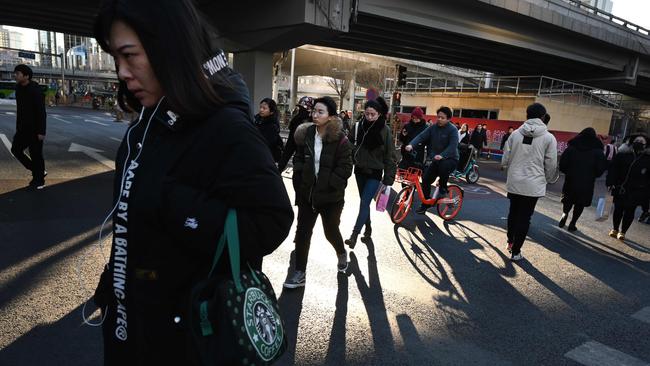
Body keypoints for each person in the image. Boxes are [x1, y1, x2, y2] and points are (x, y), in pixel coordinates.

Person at [91, 1, 294, 364]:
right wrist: (115, 283)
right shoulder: (151, 120)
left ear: (171, 48)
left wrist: (175, 204)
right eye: (115, 57)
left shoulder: (224, 126)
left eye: (130, 55)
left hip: (189, 334)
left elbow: (272, 218)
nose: (122, 72)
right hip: (132, 319)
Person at [284, 96, 353, 288]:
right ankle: (299, 273)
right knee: (303, 232)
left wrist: (330, 183)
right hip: (308, 195)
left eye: (320, 112)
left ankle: (341, 253)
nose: (315, 115)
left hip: (331, 197)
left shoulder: (340, 140)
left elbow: (346, 168)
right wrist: (299, 178)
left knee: (330, 231)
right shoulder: (305, 134)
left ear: (330, 117)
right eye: (314, 111)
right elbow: (298, 158)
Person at [501, 103, 557, 261]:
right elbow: (551, 163)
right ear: (543, 117)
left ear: (527, 115)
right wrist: (548, 178)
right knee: (525, 217)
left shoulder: (516, 134)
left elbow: (506, 155)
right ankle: (516, 252)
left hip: (515, 181)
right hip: (534, 183)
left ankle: (510, 242)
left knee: (513, 213)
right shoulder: (548, 137)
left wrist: (504, 165)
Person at [346, 97, 396, 248]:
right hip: (359, 170)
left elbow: (390, 155)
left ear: (379, 114)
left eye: (372, 114)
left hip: (375, 172)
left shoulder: (385, 130)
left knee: (364, 202)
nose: (369, 117)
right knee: (364, 203)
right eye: (367, 113)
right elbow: (348, 146)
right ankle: (368, 228)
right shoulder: (357, 127)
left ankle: (354, 234)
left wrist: (389, 178)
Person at [405, 106, 459, 214]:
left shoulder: (452, 129)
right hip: (436, 160)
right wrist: (411, 145)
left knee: (443, 166)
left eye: (442, 118)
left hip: (451, 159)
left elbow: (453, 146)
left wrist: (442, 155)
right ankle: (426, 203)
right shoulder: (433, 127)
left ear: (448, 119)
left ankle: (443, 189)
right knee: (425, 179)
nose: (439, 119)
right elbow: (421, 136)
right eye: (438, 117)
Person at [558, 128, 607, 231]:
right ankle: (573, 222)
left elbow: (562, 164)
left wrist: (568, 172)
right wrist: (593, 175)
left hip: (571, 180)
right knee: (580, 203)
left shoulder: (572, 148)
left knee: (568, 200)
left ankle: (565, 213)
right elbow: (600, 169)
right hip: (587, 183)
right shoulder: (598, 151)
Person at [606, 134, 650, 240]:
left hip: (637, 191)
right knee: (618, 210)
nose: (638, 142)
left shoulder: (648, 159)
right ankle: (615, 228)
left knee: (629, 212)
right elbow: (613, 169)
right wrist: (610, 182)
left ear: (646, 144)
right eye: (637, 140)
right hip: (621, 188)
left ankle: (623, 232)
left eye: (641, 141)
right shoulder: (622, 154)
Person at [11, 64, 47, 190]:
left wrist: (41, 131)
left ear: (26, 76)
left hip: (35, 129)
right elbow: (20, 110)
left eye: (18, 73)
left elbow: (41, 112)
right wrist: (18, 127)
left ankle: (39, 180)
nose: (15, 75)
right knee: (15, 149)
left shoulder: (35, 90)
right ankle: (36, 169)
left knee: (36, 154)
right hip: (22, 129)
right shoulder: (18, 89)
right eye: (15, 73)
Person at [278, 96, 313, 172]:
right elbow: (289, 146)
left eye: (303, 109)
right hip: (298, 160)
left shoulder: (314, 123)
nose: (301, 111)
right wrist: (280, 167)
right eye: (300, 108)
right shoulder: (296, 120)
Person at [254, 97, 284, 163]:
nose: (261, 110)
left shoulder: (272, 125)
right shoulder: (256, 119)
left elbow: (268, 143)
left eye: (264, 108)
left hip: (266, 157)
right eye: (260, 107)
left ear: (271, 112)